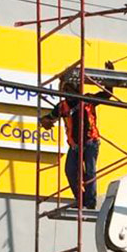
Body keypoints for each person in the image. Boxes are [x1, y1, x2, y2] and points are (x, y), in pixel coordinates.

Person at [39, 76, 113, 210]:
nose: (68, 93)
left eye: (70, 90)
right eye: (66, 90)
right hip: (75, 146)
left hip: (91, 142)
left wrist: (109, 77)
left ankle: (90, 201)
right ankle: (81, 199)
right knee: (70, 170)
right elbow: (49, 118)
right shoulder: (62, 106)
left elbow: (107, 95)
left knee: (89, 172)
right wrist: (44, 121)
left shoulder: (88, 100)